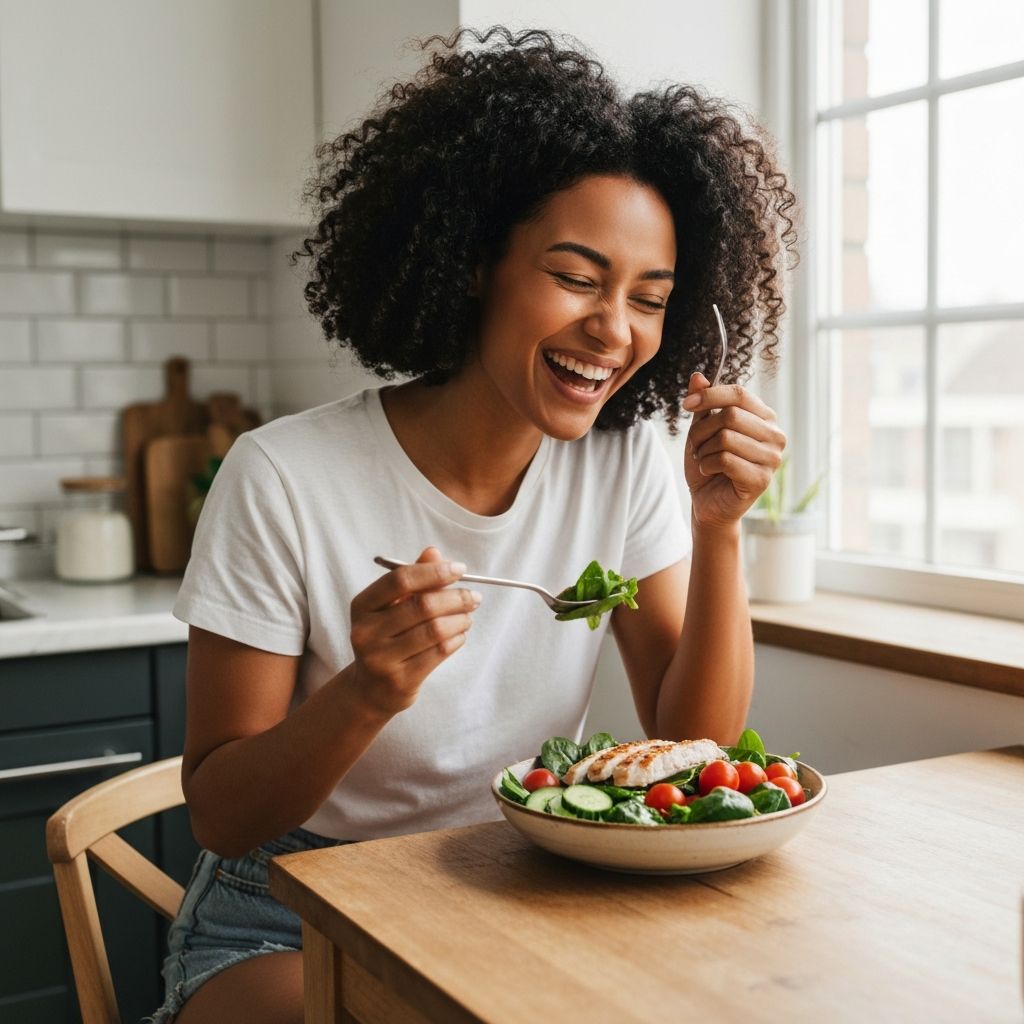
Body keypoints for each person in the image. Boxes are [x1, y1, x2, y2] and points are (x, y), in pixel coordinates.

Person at [150, 26, 794, 1024]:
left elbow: (693, 738)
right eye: (577, 276)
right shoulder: (281, 474)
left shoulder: (621, 463)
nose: (615, 328)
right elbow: (224, 812)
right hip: (282, 910)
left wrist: (718, 530)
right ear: (471, 263)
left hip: (518, 882)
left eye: (649, 299)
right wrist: (367, 688)